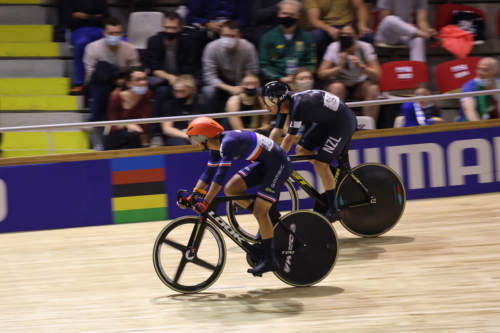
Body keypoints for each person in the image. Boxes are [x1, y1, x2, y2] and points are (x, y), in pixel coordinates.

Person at [178, 117, 293, 275]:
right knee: (231, 189)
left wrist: (206, 202)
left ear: (203, 137)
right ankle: (266, 218)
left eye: (195, 140)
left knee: (260, 212)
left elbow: (220, 176)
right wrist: (193, 196)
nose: (195, 144)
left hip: (279, 164)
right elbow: (208, 174)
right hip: (266, 163)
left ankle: (270, 260)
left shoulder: (228, 142)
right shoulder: (216, 147)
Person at [264, 81, 357, 221]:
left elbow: (289, 138)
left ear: (279, 99)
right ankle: (332, 175)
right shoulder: (284, 105)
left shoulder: (297, 105)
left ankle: (334, 210)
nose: (265, 106)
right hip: (328, 121)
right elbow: (276, 132)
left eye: (267, 101)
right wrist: (267, 153)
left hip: (342, 122)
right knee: (301, 150)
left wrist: (277, 160)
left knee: (320, 165)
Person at [145, 11, 198, 146]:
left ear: (180, 28)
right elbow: (154, 68)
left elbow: (190, 67)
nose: (170, 31)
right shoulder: (153, 41)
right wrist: (170, 78)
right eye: (167, 28)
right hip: (161, 79)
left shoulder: (188, 43)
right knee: (162, 91)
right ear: (162, 27)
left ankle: (196, 129)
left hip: (183, 78)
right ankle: (156, 134)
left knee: (194, 88)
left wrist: (181, 82)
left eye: (174, 28)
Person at [318, 23, 381, 121]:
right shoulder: (334, 47)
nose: (344, 37)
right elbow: (321, 74)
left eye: (348, 35)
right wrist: (339, 67)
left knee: (373, 89)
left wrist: (362, 66)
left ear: (356, 36)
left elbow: (377, 75)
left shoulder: (365, 47)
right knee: (337, 87)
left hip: (359, 85)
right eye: (342, 34)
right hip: (340, 83)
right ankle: (336, 126)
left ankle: (369, 126)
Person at [84, 17, 141, 122]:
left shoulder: (130, 48)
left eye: (118, 33)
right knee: (101, 84)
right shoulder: (92, 48)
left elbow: (136, 71)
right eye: (111, 33)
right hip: (100, 82)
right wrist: (114, 81)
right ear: (104, 33)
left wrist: (122, 85)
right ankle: (94, 119)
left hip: (125, 81)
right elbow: (90, 74)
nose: (115, 36)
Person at [202, 20, 259, 113]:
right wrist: (230, 88)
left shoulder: (248, 47)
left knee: (257, 90)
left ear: (239, 35)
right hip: (221, 84)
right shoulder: (211, 48)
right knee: (208, 91)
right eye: (226, 35)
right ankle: (211, 120)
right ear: (220, 34)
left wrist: (243, 86)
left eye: (232, 36)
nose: (229, 39)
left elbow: (252, 72)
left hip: (243, 83)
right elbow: (209, 76)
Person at [259, 0, 317, 84]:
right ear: (278, 13)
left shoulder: (308, 37)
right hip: (276, 80)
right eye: (284, 13)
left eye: (292, 14)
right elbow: (264, 65)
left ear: (299, 16)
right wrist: (279, 78)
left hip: (302, 80)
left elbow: (312, 63)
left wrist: (301, 76)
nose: (288, 17)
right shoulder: (267, 37)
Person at [66, 0, 110, 95]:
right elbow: (69, 22)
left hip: (100, 30)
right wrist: (95, 17)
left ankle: (116, 80)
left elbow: (106, 20)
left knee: (118, 40)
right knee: (82, 42)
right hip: (79, 30)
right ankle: (79, 83)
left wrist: (84, 16)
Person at [306, 0, 373, 61]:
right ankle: (320, 71)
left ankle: (367, 68)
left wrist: (362, 24)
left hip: (347, 25)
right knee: (316, 37)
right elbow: (314, 20)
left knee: (368, 36)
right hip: (325, 27)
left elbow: (361, 7)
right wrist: (329, 29)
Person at [105, 67, 152, 150]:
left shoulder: (147, 94)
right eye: (138, 80)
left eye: (144, 79)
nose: (143, 82)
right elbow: (112, 127)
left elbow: (145, 123)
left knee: (134, 136)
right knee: (132, 135)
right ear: (128, 83)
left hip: (137, 137)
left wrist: (146, 145)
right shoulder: (116, 98)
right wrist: (127, 124)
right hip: (118, 137)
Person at [160, 75, 206, 146]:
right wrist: (186, 136)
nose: (179, 95)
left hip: (196, 136)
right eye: (176, 91)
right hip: (176, 137)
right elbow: (167, 129)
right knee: (181, 143)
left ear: (192, 90)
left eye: (182, 91)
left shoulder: (200, 107)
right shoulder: (169, 105)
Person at [459, 57, 500, 122]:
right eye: (478, 69)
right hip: (470, 126)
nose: (479, 73)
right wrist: (480, 129)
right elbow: (470, 110)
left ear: (495, 74)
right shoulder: (470, 86)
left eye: (484, 70)